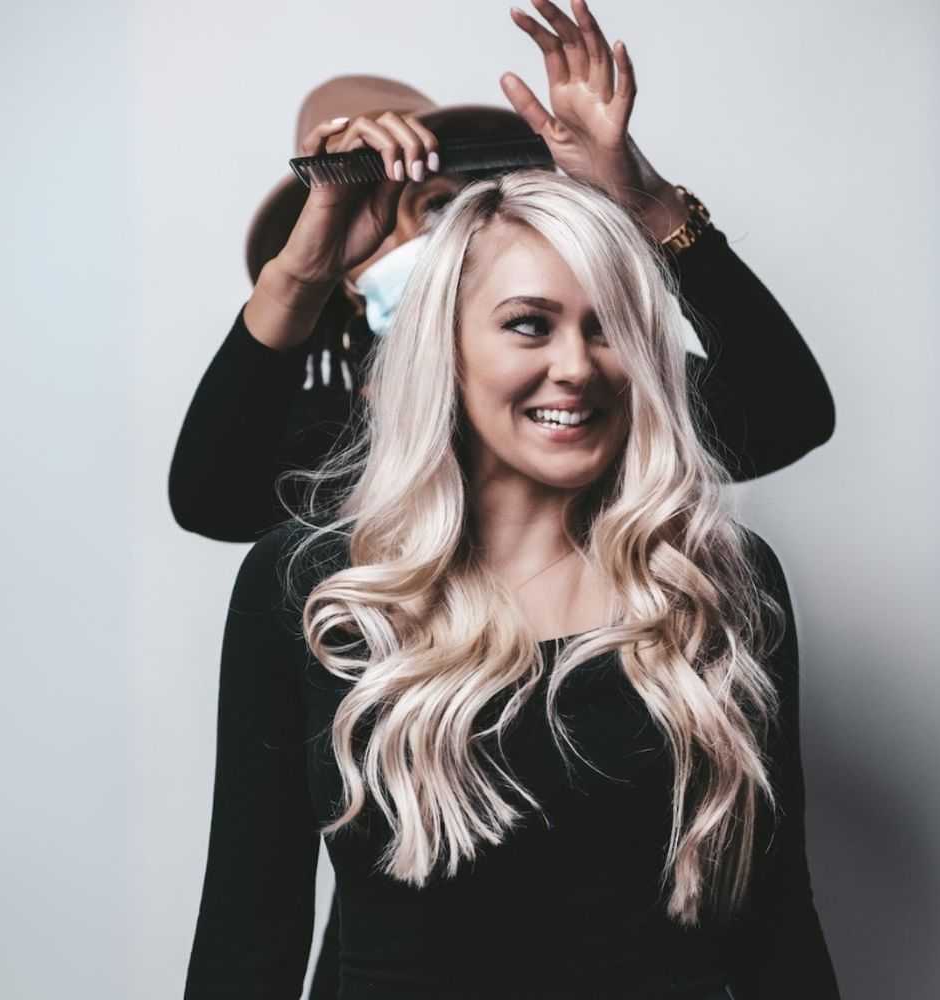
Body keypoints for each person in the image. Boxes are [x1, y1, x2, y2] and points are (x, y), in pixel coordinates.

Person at [182, 165, 841, 998]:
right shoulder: (316, 590)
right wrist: (302, 270)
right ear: (446, 349)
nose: (577, 366)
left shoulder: (720, 583)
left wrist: (660, 209)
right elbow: (248, 934)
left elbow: (775, 927)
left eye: (609, 330)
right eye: (529, 325)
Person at [168, 0, 834, 546]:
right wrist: (299, 275)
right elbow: (211, 501)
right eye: (369, 224)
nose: (417, 241)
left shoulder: (582, 386)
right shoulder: (332, 427)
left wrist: (647, 201)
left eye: (434, 206)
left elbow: (784, 414)